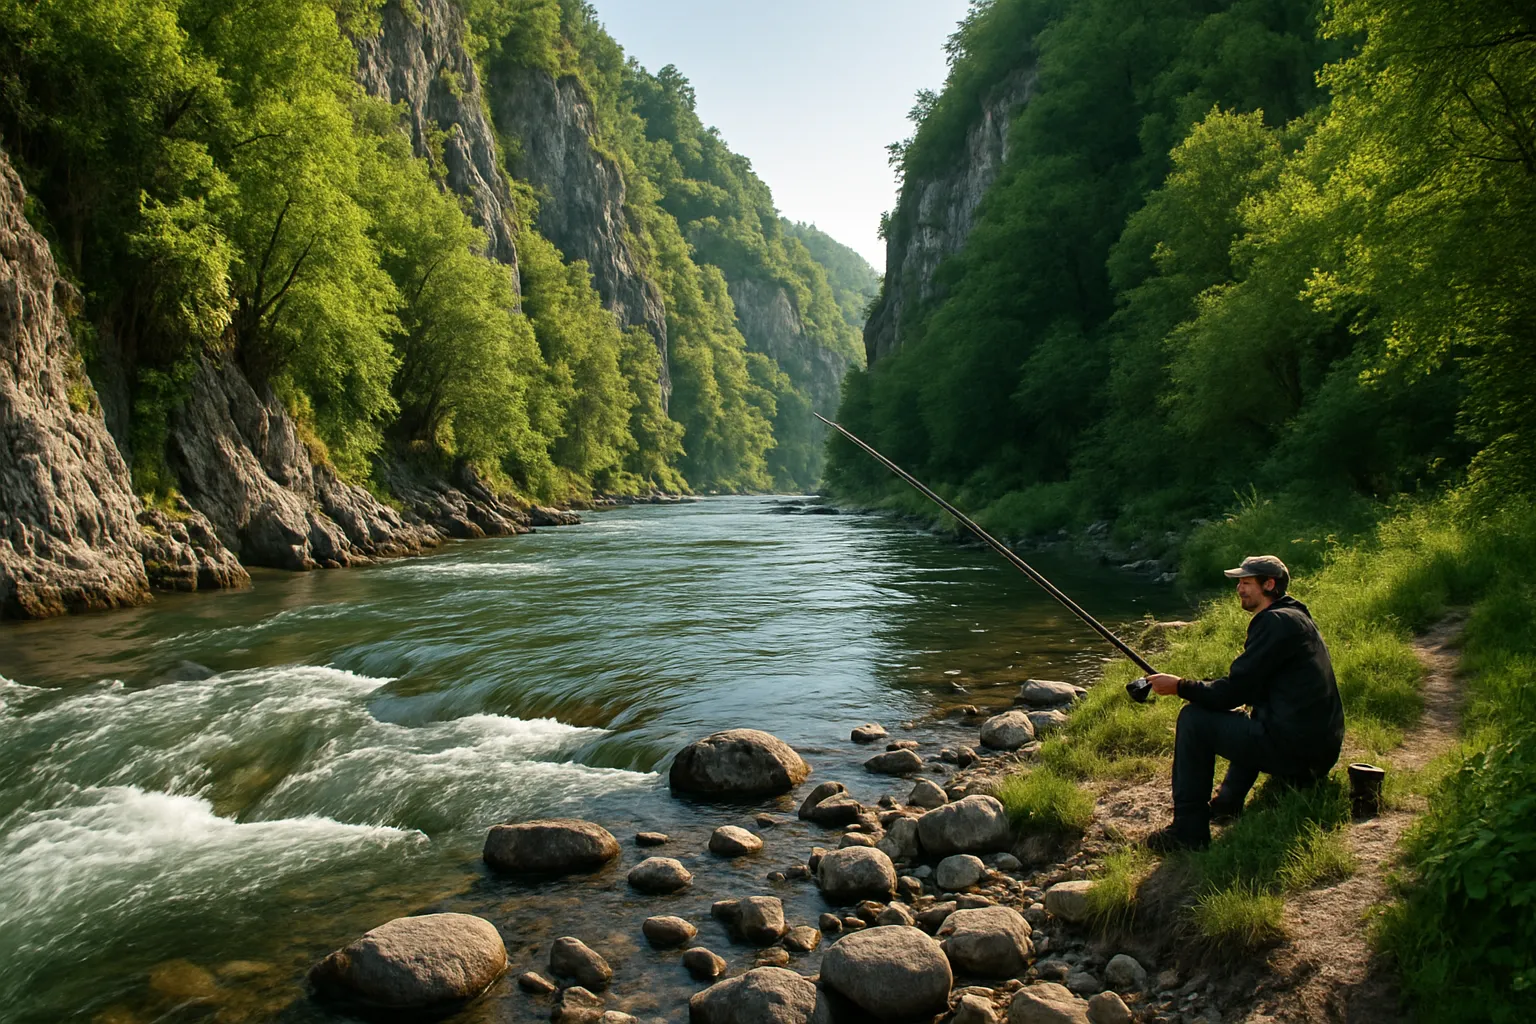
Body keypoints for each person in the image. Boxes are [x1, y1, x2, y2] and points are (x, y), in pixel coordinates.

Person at [1142, 555, 1345, 852]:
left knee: (1193, 720)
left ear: (1269, 584)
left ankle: (1188, 831)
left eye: (1247, 583)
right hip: (1318, 749)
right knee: (1241, 715)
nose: (1239, 588)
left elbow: (1234, 690)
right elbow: (1248, 687)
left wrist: (1179, 686)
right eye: (1239, 582)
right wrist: (1204, 689)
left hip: (1297, 753)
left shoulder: (1274, 622)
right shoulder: (1295, 615)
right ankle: (1227, 803)